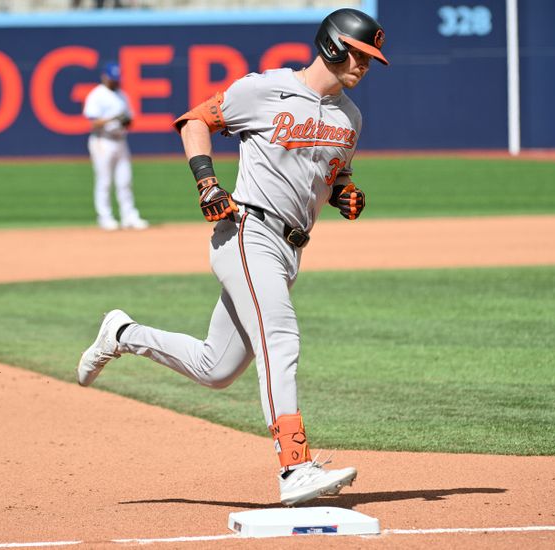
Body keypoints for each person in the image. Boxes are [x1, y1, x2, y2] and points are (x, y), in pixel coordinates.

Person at [77, 8, 388, 506]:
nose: (366, 65)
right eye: (361, 54)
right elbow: (194, 121)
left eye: (372, 58)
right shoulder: (265, 89)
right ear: (332, 45)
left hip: (290, 251)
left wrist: (344, 193)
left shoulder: (350, 117)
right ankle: (294, 466)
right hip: (247, 232)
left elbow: (332, 173)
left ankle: (122, 333)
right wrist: (207, 182)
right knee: (280, 336)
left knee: (215, 368)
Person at [82, 62, 148, 231]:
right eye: (113, 78)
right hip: (102, 141)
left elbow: (129, 119)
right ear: (104, 76)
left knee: (125, 180)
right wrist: (113, 118)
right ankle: (105, 217)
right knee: (104, 181)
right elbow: (93, 121)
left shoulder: (122, 95)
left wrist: (126, 121)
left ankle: (129, 217)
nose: (115, 81)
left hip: (120, 140)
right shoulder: (97, 95)